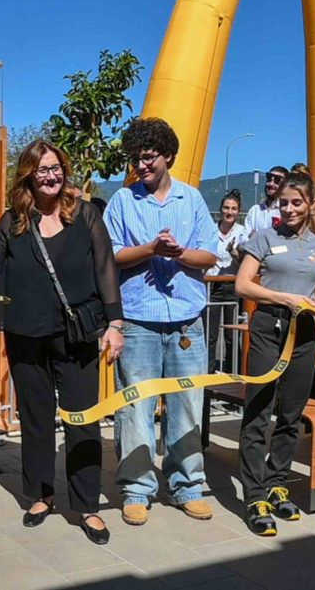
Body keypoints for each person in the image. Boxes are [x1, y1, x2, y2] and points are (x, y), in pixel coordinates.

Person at [0, 140, 124, 545]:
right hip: (26, 333)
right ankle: (41, 494)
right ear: (28, 175)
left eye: (55, 168)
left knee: (82, 420)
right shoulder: (12, 221)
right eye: (42, 170)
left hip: (77, 333)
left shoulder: (85, 214)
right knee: (35, 417)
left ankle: (87, 505)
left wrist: (115, 323)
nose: (50, 176)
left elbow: (105, 267)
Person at [103, 117, 218, 526]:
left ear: (168, 155)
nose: (142, 165)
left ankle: (188, 485)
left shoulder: (192, 200)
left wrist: (179, 253)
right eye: (136, 158)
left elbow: (210, 255)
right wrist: (151, 249)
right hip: (138, 320)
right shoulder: (122, 201)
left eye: (149, 157)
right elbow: (110, 256)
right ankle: (137, 488)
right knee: (136, 407)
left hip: (188, 321)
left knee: (187, 405)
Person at [233, 170, 315, 536]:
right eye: (284, 203)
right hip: (268, 327)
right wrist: (282, 298)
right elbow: (242, 285)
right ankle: (254, 496)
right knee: (258, 412)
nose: (288, 209)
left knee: (291, 414)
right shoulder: (264, 237)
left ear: (310, 204)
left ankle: (277, 483)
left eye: (296, 203)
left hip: (304, 332)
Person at [206, 189, 247, 373]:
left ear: (238, 212)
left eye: (233, 208)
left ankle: (233, 372)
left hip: (232, 285)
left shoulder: (242, 232)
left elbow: (245, 261)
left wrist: (234, 253)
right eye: (226, 208)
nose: (229, 212)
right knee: (210, 333)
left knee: (232, 334)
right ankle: (208, 373)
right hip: (212, 285)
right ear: (221, 209)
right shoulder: (210, 230)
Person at [243, 165, 288, 237]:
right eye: (269, 178)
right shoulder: (254, 211)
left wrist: (255, 236)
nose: (271, 184)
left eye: (277, 180)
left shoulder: (287, 212)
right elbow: (244, 239)